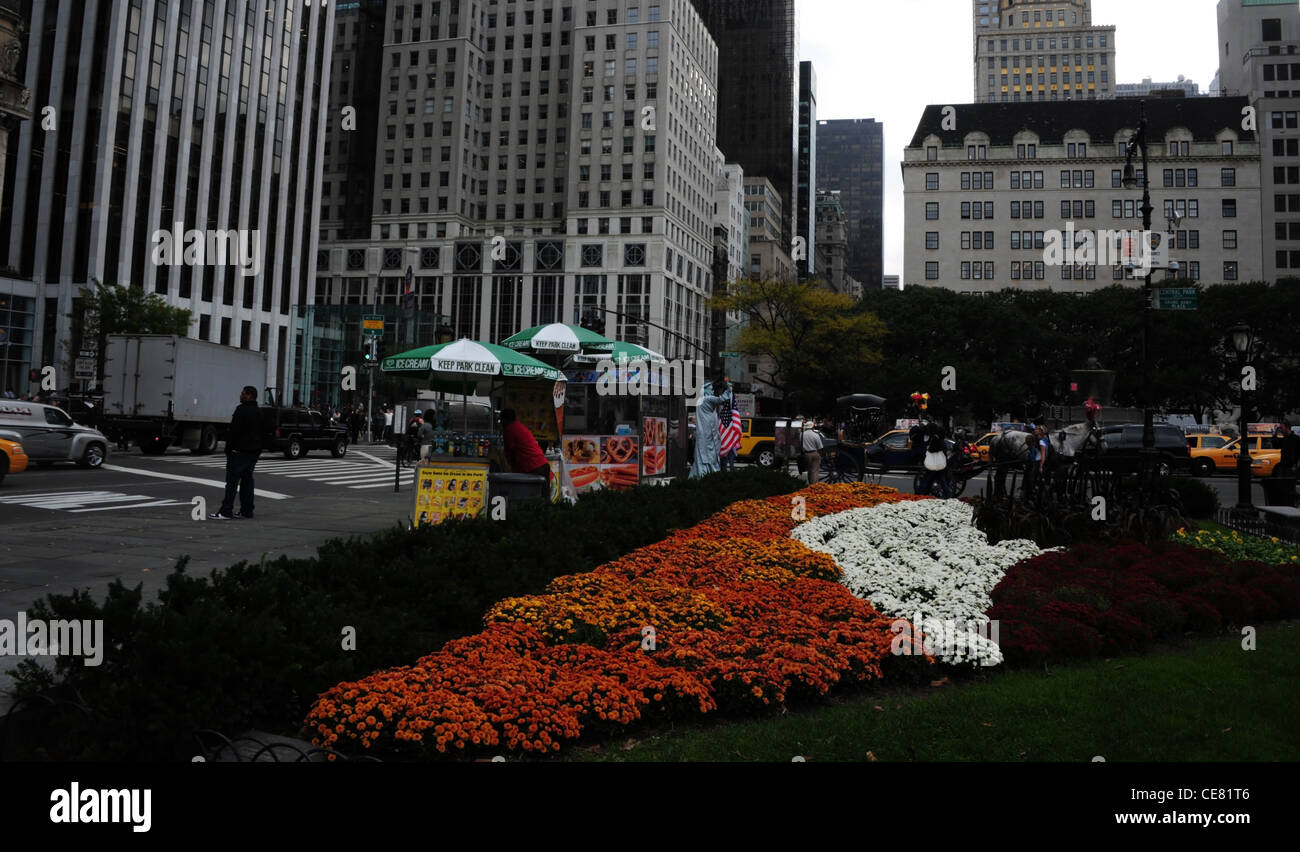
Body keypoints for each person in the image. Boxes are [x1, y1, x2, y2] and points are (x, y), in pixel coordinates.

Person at [211, 385, 262, 520]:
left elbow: (234, 431)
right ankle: (247, 510)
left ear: (249, 395)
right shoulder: (258, 412)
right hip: (253, 451)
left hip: (239, 451)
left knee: (232, 482)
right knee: (247, 481)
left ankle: (226, 510)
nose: (240, 395)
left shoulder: (241, 410)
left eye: (243, 393)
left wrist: (229, 448)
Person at [689, 378, 730, 479]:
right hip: (705, 435)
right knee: (705, 456)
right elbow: (722, 399)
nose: (712, 391)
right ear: (705, 390)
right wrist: (729, 389)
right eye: (711, 389)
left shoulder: (701, 400)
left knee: (706, 456)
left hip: (707, 435)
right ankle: (704, 475)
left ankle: (703, 474)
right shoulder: (706, 399)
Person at [501, 408, 550, 477]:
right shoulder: (519, 425)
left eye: (501, 420)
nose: (501, 423)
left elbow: (509, 452)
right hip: (543, 464)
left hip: (533, 467)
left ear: (504, 420)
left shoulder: (509, 429)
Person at [916, 421, 952, 498]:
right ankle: (948, 495)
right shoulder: (939, 439)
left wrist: (928, 449)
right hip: (940, 464)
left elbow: (933, 450)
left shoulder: (934, 439)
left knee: (926, 479)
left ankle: (920, 494)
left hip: (934, 464)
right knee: (941, 481)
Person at [801, 416, 824, 484]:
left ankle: (810, 484)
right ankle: (813, 485)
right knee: (814, 471)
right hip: (815, 453)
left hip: (806, 454)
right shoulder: (815, 435)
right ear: (812, 427)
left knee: (809, 470)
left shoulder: (801, 435)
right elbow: (820, 447)